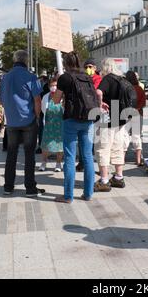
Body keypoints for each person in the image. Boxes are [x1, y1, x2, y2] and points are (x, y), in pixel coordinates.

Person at [53, 52, 99, 203]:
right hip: (88, 119)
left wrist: (59, 94)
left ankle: (68, 196)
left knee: (70, 157)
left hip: (71, 120)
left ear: (65, 63)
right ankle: (88, 194)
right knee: (87, 157)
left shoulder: (65, 77)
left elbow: (56, 100)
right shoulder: (87, 77)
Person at [0, 50, 45, 198]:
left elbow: (2, 100)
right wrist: (37, 116)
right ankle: (30, 188)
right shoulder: (30, 77)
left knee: (11, 154)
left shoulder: (5, 78)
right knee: (29, 155)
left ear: (14, 60)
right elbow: (37, 100)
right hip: (28, 120)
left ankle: (8, 186)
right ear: (26, 61)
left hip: (12, 121)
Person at [94, 58, 129, 192]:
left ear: (105, 67)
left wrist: (99, 104)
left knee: (103, 148)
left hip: (107, 117)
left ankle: (104, 180)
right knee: (117, 147)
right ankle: (119, 177)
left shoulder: (107, 79)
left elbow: (98, 92)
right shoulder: (122, 79)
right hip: (121, 118)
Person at [77, 58, 103, 172]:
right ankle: (82, 162)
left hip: (95, 112)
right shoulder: (82, 78)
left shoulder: (98, 79)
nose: (88, 68)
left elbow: (94, 91)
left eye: (90, 66)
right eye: (86, 66)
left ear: (95, 68)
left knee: (91, 138)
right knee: (83, 138)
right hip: (83, 111)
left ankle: (87, 162)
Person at [39, 77, 64, 173]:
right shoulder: (46, 97)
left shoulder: (62, 97)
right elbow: (43, 109)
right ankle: (43, 162)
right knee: (45, 144)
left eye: (56, 85)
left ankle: (58, 163)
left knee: (59, 145)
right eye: (52, 85)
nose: (54, 87)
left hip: (60, 124)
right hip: (49, 124)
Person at [124, 71, 146, 166]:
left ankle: (122, 159)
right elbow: (143, 102)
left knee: (124, 136)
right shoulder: (139, 89)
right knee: (136, 136)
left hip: (126, 115)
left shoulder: (124, 89)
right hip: (137, 114)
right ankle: (138, 160)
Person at [36, 74, 50, 155]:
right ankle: (42, 146)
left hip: (44, 111)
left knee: (42, 129)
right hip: (43, 111)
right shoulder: (44, 87)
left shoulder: (44, 88)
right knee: (41, 129)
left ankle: (42, 146)